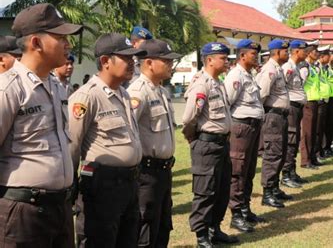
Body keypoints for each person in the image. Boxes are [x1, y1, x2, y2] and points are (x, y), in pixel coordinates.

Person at [0, 3, 82, 247]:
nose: (68, 45)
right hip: (23, 213)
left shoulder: (55, 87)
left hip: (59, 208)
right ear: (36, 43)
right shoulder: (8, 88)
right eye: (60, 37)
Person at [69, 33, 146, 247]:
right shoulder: (87, 96)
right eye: (126, 58)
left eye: (133, 58)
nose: (133, 63)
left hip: (129, 184)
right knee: (100, 241)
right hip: (102, 187)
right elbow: (72, 146)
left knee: (127, 240)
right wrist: (71, 188)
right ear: (105, 61)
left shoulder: (124, 94)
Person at [127, 39, 182, 247]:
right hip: (146, 173)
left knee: (163, 224)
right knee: (146, 226)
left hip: (164, 171)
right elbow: (129, 132)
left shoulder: (161, 91)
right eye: (165, 60)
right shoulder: (138, 92)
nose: (170, 65)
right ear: (149, 63)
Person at [182, 42, 237, 248]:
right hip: (207, 144)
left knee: (222, 189)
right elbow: (189, 119)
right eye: (223, 58)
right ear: (210, 60)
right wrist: (194, 138)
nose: (226, 62)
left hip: (222, 145)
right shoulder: (201, 84)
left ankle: (215, 228)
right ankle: (201, 235)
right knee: (205, 191)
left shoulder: (218, 82)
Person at [224, 39, 265, 234]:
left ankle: (245, 208)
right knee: (238, 171)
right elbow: (228, 104)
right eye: (252, 54)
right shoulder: (235, 76)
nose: (255, 57)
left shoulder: (250, 75)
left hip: (253, 128)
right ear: (242, 56)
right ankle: (236, 214)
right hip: (241, 128)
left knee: (248, 171)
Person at [256, 39, 291, 209]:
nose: (288, 54)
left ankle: (275, 188)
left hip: (281, 117)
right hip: (273, 118)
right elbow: (261, 95)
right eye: (285, 51)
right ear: (277, 52)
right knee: (272, 154)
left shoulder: (278, 69)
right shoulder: (269, 70)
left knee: (281, 153)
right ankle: (267, 192)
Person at [281, 40, 308, 188]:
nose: (306, 53)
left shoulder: (295, 67)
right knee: (291, 140)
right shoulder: (288, 67)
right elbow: (281, 87)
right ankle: (286, 175)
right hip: (291, 107)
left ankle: (292, 171)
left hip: (297, 108)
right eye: (304, 50)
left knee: (295, 139)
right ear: (297, 51)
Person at [299, 41, 323, 169]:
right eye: (315, 52)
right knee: (307, 133)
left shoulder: (314, 67)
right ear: (308, 53)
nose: (317, 54)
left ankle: (312, 157)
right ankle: (305, 160)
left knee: (314, 131)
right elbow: (300, 85)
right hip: (308, 102)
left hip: (315, 101)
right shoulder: (304, 67)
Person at [316, 45, 332, 159]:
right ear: (322, 57)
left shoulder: (324, 68)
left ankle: (322, 150)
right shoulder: (316, 68)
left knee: (323, 128)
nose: (330, 57)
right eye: (328, 55)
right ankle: (317, 152)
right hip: (318, 101)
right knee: (318, 129)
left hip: (325, 99)